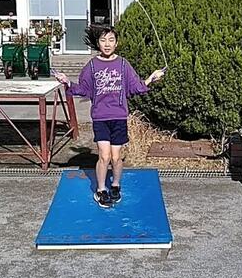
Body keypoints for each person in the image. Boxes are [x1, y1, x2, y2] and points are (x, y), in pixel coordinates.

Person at [54, 25, 165, 208]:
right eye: (103, 40)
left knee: (116, 157)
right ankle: (101, 189)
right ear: (98, 43)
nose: (107, 44)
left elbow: (135, 87)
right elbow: (83, 89)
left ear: (116, 43)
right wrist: (67, 82)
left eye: (111, 40)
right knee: (104, 156)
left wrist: (151, 78)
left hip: (119, 117)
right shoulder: (91, 66)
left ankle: (115, 185)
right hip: (100, 118)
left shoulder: (123, 64)